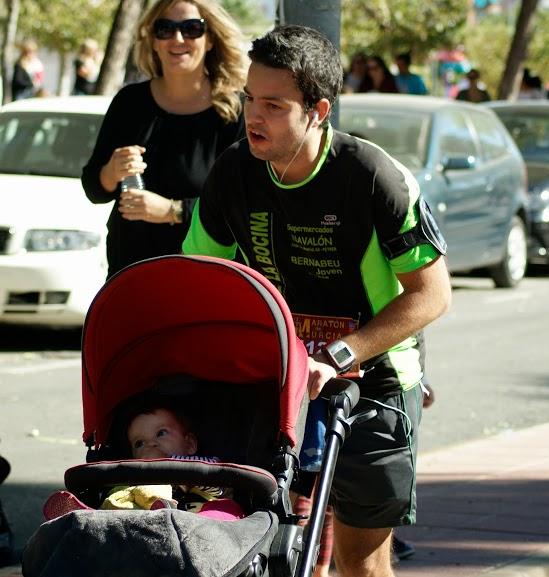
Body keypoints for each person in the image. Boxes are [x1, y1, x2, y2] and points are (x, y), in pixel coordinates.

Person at [182, 25, 452, 577]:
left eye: (274, 105)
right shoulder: (233, 172)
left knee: (361, 561)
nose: (254, 116)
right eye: (249, 100)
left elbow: (432, 295)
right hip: (276, 379)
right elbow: (199, 279)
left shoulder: (373, 176)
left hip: (372, 383)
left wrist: (340, 356)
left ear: (318, 110)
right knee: (258, 542)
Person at [81, 0, 246, 279]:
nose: (177, 39)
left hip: (203, 275)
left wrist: (173, 211)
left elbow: (241, 204)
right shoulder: (130, 103)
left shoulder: (234, 110)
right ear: (154, 41)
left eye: (192, 28)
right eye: (165, 29)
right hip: (130, 273)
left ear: (210, 40)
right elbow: (94, 189)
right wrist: (111, 171)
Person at [42, 400, 244, 520]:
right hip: (145, 514)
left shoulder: (204, 463)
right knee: (122, 496)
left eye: (161, 433)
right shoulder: (135, 472)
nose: (150, 444)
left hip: (200, 519)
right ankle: (93, 519)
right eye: (139, 443)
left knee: (228, 509)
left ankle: (165, 517)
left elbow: (220, 488)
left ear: (190, 443)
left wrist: (180, 474)